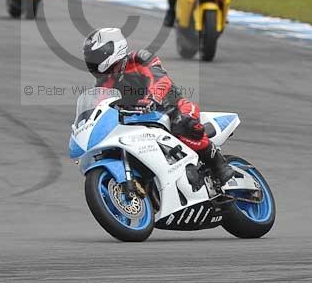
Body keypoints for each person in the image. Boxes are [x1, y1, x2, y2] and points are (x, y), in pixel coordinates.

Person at [83, 27, 235, 184]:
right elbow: (99, 108)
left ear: (111, 50)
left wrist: (152, 98)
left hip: (172, 107)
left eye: (95, 56)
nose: (92, 62)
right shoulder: (103, 83)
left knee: (183, 124)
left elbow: (161, 80)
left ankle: (219, 165)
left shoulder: (139, 59)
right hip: (138, 121)